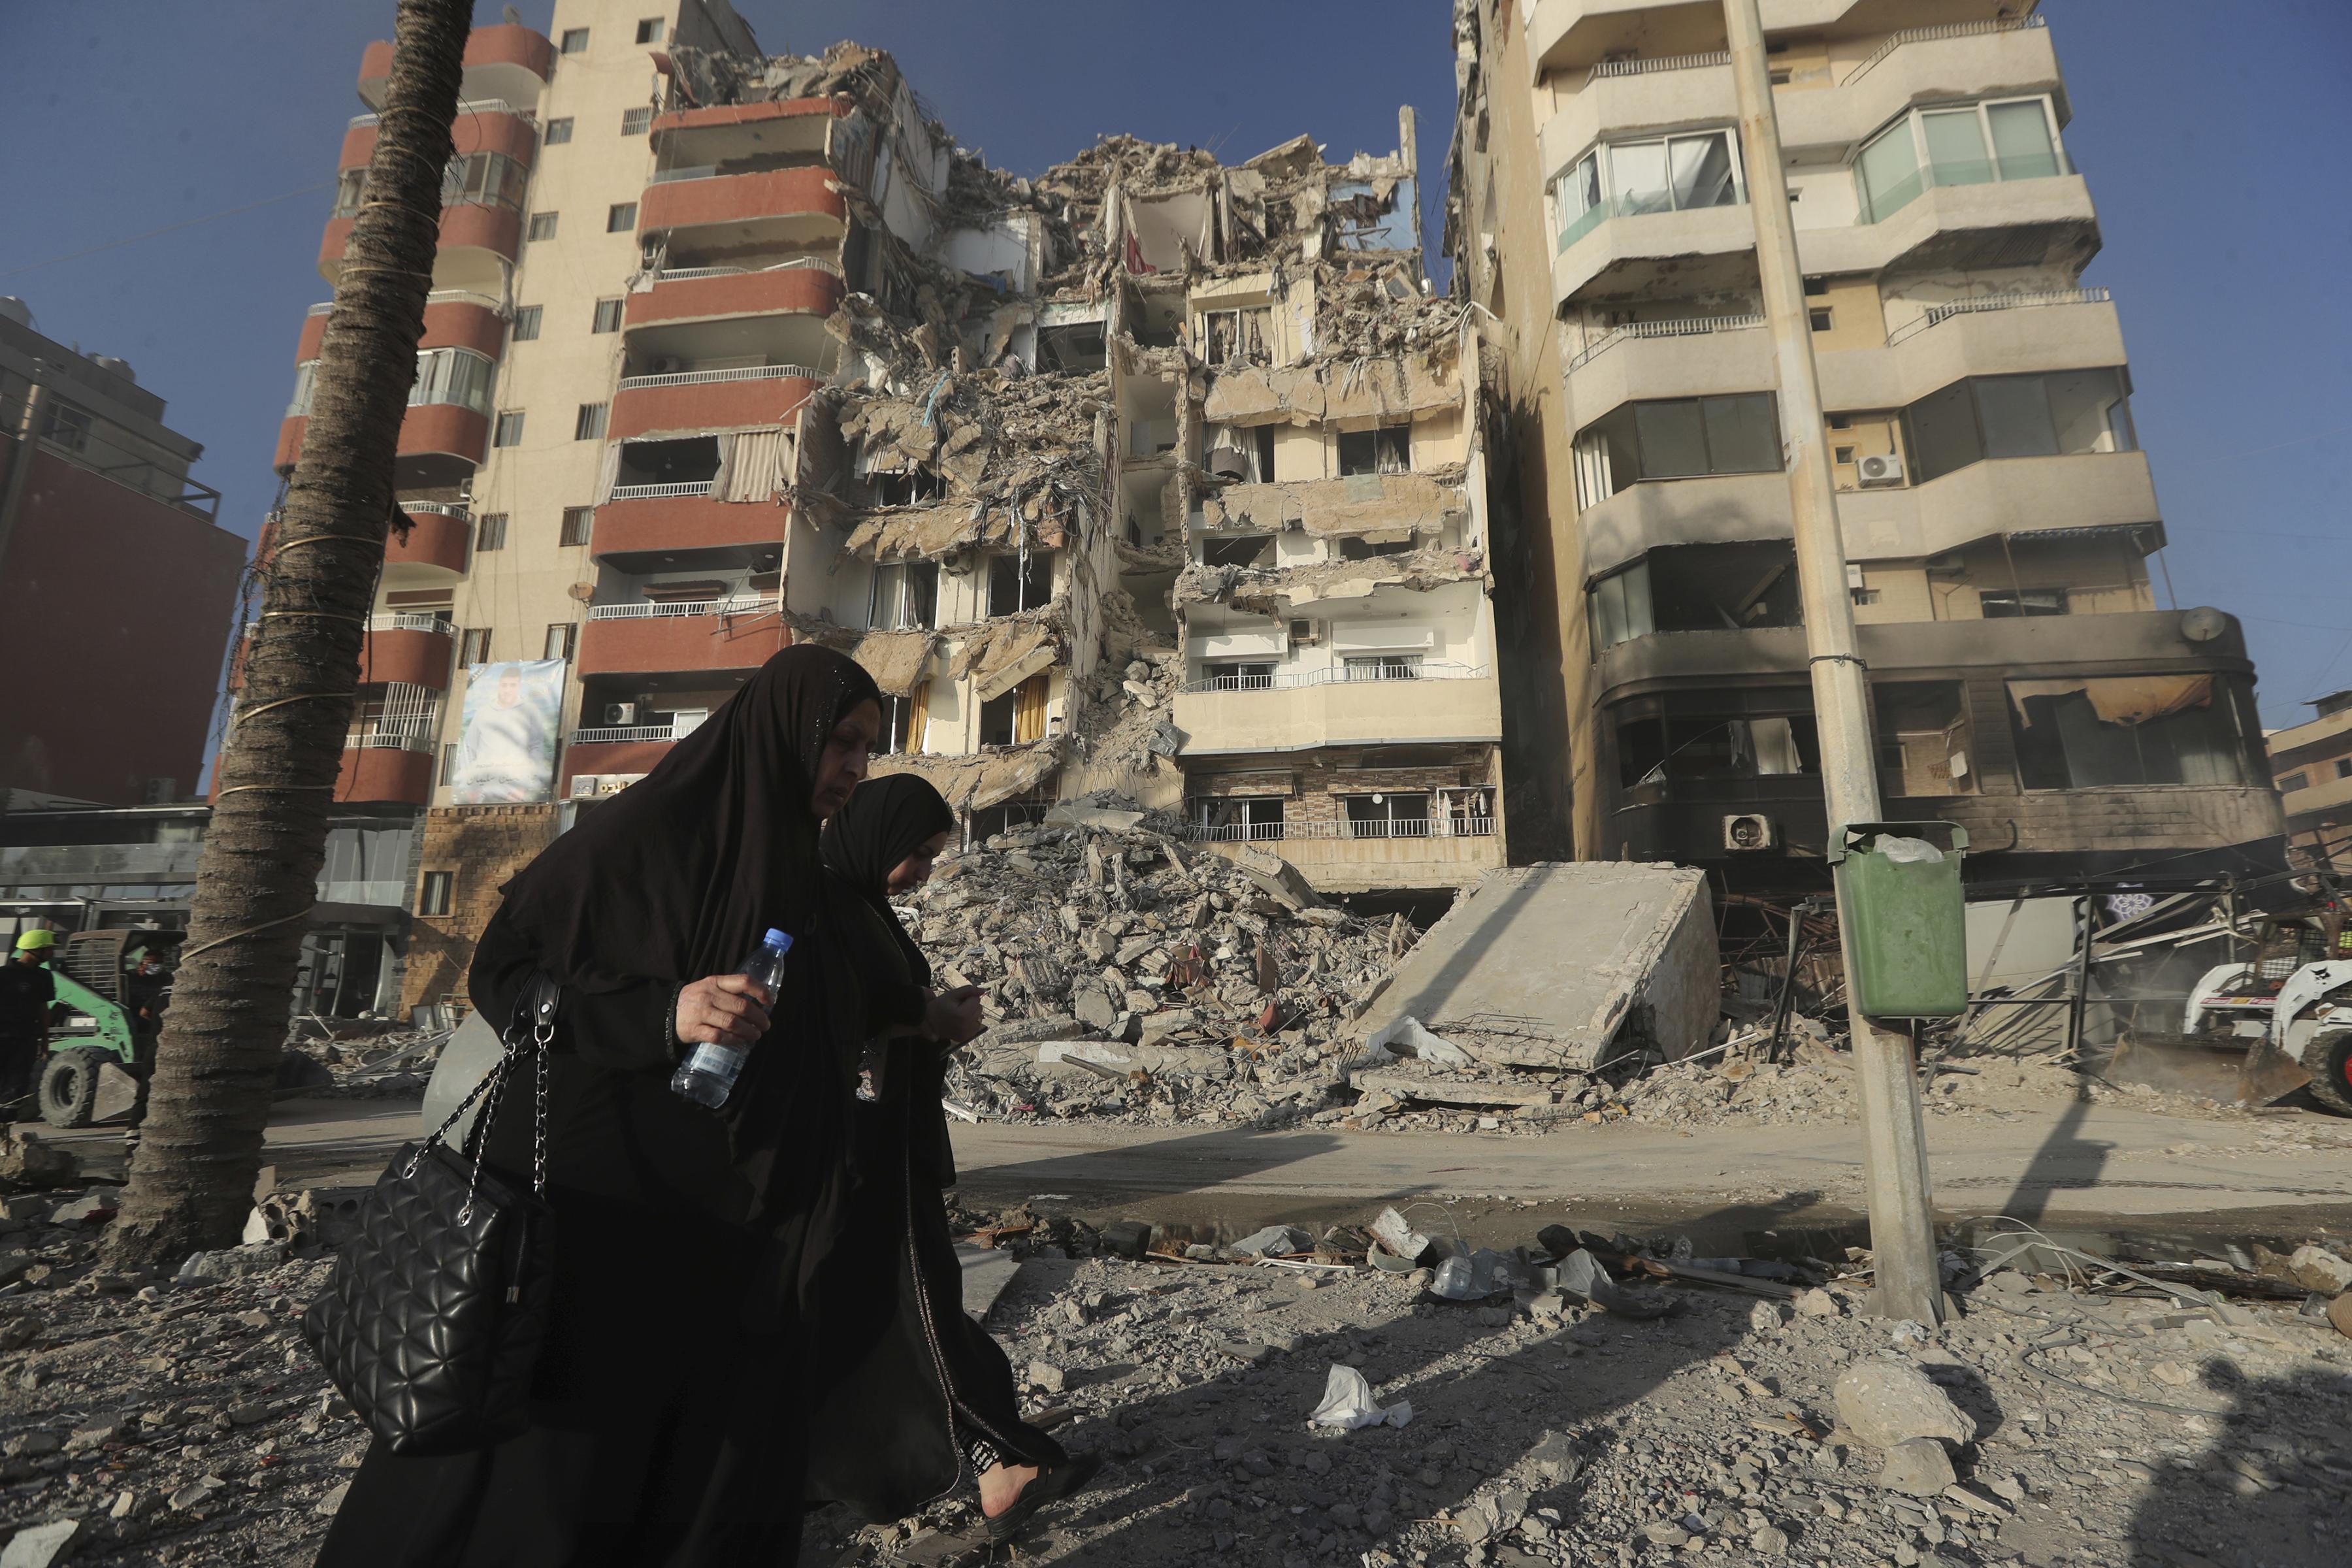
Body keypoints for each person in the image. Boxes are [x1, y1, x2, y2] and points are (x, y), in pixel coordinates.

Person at [318, 644, 925, 1567]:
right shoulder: (647, 834)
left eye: (866, 752)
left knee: (693, 1459)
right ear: (781, 732)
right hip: (596, 1211)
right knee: (554, 1466)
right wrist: (662, 1012)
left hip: (722, 1224)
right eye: (840, 742)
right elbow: (503, 973)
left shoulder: (798, 868)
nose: (853, 768)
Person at [817, 776, 1102, 1546]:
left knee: (924, 1307)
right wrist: (923, 1014)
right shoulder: (823, 914)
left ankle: (987, 1452)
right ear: (876, 840)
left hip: (885, 1156)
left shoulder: (860, 912)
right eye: (917, 854)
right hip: (858, 1162)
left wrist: (935, 1026)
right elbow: (834, 1016)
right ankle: (992, 1458)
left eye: (935, 857)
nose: (926, 872)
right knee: (917, 1316)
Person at [0, 930, 60, 1119]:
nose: (52, 953)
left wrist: (45, 1040)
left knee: (18, 1083)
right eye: (50, 949)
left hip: (26, 1038)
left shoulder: (44, 977)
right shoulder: (4, 974)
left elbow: (43, 1009)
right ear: (36, 950)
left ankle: (5, 1129)